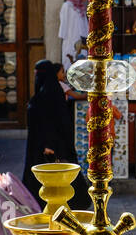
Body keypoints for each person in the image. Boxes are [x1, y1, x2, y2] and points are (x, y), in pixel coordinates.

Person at [23, 59, 91, 208]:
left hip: (50, 144)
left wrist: (49, 144)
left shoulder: (50, 94)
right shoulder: (47, 92)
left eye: (38, 73)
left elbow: (52, 122)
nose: (36, 75)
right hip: (45, 143)